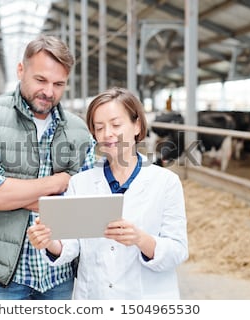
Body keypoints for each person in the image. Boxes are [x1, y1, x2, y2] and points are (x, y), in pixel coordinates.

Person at [0, 34, 95, 300]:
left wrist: (13, 195)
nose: (49, 91)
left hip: (60, 277)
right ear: (21, 70)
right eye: (41, 80)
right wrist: (58, 183)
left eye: (59, 84)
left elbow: (84, 207)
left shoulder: (80, 132)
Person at [27, 87, 188, 299]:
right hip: (94, 297)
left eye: (116, 124)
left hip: (146, 299)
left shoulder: (166, 182)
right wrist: (49, 242)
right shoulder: (80, 183)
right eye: (99, 127)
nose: (107, 134)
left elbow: (178, 251)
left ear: (137, 125)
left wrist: (140, 239)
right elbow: (71, 244)